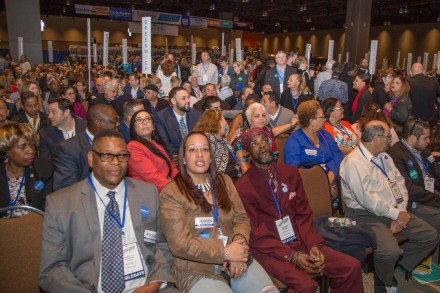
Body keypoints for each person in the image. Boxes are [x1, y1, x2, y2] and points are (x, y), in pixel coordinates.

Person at [39, 131, 176, 293]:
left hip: (147, 286)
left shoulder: (147, 193)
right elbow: (51, 269)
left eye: (122, 155)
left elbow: (162, 245)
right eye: (106, 155)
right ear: (91, 158)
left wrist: (154, 284)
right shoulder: (61, 204)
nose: (116, 162)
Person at [235, 128, 364, 293]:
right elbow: (257, 235)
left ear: (271, 144)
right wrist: (292, 256)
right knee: (307, 286)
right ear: (248, 152)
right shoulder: (243, 187)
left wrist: (313, 245)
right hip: (270, 250)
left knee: (350, 267)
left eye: (264, 140)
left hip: (300, 240)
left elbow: (303, 215)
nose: (261, 146)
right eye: (254, 143)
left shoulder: (290, 173)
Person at [159, 131, 278, 293]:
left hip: (237, 258)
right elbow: (180, 244)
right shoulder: (172, 193)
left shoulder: (225, 182)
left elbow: (241, 219)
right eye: (192, 150)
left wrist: (239, 246)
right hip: (197, 270)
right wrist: (225, 253)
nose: (200, 155)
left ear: (211, 156)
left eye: (205, 149)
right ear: (184, 159)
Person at [339, 120, 438, 291]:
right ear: (376, 138)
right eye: (388, 137)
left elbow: (400, 184)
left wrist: (401, 211)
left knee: (430, 236)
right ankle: (382, 280)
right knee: (390, 251)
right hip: (364, 215)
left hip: (392, 210)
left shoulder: (384, 157)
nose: (391, 140)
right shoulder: (354, 163)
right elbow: (368, 201)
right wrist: (396, 215)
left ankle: (392, 265)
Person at [387, 119, 440, 237]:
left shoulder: (424, 151)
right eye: (425, 138)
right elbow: (410, 190)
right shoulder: (396, 155)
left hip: (431, 197)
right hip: (415, 203)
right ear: (413, 138)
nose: (429, 141)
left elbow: (437, 173)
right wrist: (437, 199)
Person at [52, 104, 120, 191]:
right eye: (114, 121)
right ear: (98, 122)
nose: (118, 124)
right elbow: (66, 190)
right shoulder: (68, 149)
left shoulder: (118, 141)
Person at [284, 100, 343, 190]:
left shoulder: (325, 135)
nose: (325, 119)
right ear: (311, 120)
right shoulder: (295, 140)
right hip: (308, 185)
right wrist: (321, 184)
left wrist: (330, 175)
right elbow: (293, 169)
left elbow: (338, 154)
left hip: (332, 180)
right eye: (322, 117)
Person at [0, 123, 53, 217]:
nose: (31, 150)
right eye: (22, 147)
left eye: (32, 145)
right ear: (6, 150)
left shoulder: (44, 167)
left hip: (35, 225)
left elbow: (48, 208)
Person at [234, 103, 297, 173]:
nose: (261, 118)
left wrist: (291, 124)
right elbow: (244, 167)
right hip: (252, 176)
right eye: (257, 116)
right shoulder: (243, 139)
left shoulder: (267, 131)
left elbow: (274, 131)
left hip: (272, 171)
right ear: (249, 119)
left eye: (263, 115)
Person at [128, 110, 178, 193]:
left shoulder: (157, 144)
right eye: (139, 120)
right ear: (133, 127)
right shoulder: (132, 147)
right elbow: (152, 178)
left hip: (168, 188)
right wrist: (176, 189)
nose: (145, 122)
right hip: (150, 193)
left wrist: (181, 183)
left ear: (153, 126)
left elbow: (172, 167)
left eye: (148, 119)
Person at [154, 87, 201, 159]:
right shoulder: (161, 117)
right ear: (173, 101)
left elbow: (200, 138)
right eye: (183, 98)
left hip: (195, 154)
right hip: (175, 157)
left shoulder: (196, 115)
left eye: (188, 97)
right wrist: (181, 157)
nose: (188, 101)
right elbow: (166, 143)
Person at [194, 109, 241, 180]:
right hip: (220, 182)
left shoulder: (218, 139)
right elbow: (215, 168)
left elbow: (222, 148)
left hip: (230, 179)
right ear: (219, 122)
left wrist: (232, 139)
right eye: (223, 119)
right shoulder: (209, 139)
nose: (226, 123)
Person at [409, 62, 440, 127]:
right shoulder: (434, 81)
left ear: (410, 72)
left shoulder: (409, 82)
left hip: (414, 120)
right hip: (431, 120)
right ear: (423, 71)